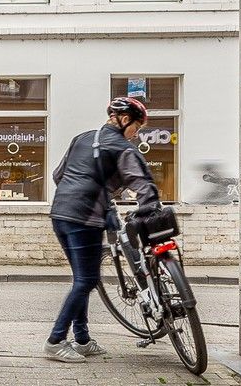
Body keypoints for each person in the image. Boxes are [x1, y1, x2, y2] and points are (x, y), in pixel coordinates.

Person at [44, 96, 161, 361]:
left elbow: (58, 175)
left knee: (83, 280)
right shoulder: (122, 148)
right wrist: (148, 207)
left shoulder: (82, 138)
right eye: (137, 128)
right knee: (86, 280)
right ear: (125, 120)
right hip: (86, 218)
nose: (136, 134)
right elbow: (142, 184)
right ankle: (55, 340)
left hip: (60, 213)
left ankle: (82, 339)